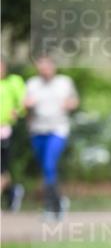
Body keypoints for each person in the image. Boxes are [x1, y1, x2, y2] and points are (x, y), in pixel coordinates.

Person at [24, 55, 79, 219]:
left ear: (54, 67)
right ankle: (59, 201)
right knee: (46, 169)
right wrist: (27, 106)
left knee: (49, 164)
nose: (44, 70)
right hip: (37, 130)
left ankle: (50, 206)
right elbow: (24, 108)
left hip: (58, 129)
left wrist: (70, 104)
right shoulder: (32, 84)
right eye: (41, 67)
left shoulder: (65, 82)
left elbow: (75, 101)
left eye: (47, 66)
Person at [0, 57, 26, 210]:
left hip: (4, 130)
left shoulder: (13, 83)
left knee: (1, 169)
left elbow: (22, 104)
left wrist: (19, 111)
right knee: (3, 171)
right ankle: (12, 191)